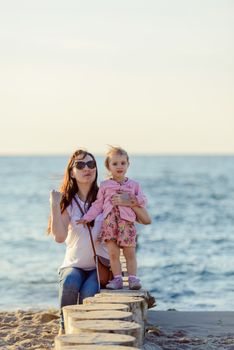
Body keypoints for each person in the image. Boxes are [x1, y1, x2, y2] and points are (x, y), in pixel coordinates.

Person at [48, 149, 151, 332]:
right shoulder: (69, 202)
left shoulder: (108, 193)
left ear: (97, 168)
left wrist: (131, 202)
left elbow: (145, 220)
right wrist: (55, 205)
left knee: (89, 293)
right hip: (74, 264)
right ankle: (65, 328)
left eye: (91, 164)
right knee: (70, 281)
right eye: (80, 165)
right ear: (72, 172)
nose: (86, 168)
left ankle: (85, 330)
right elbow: (59, 237)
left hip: (100, 266)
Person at [77, 146, 151, 290]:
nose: (119, 166)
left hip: (127, 223)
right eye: (115, 163)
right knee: (113, 252)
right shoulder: (105, 185)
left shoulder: (134, 185)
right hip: (110, 223)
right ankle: (117, 279)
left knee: (129, 252)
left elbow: (143, 200)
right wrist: (87, 217)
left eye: (123, 163)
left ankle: (133, 279)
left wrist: (131, 199)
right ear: (108, 166)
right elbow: (98, 205)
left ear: (128, 165)